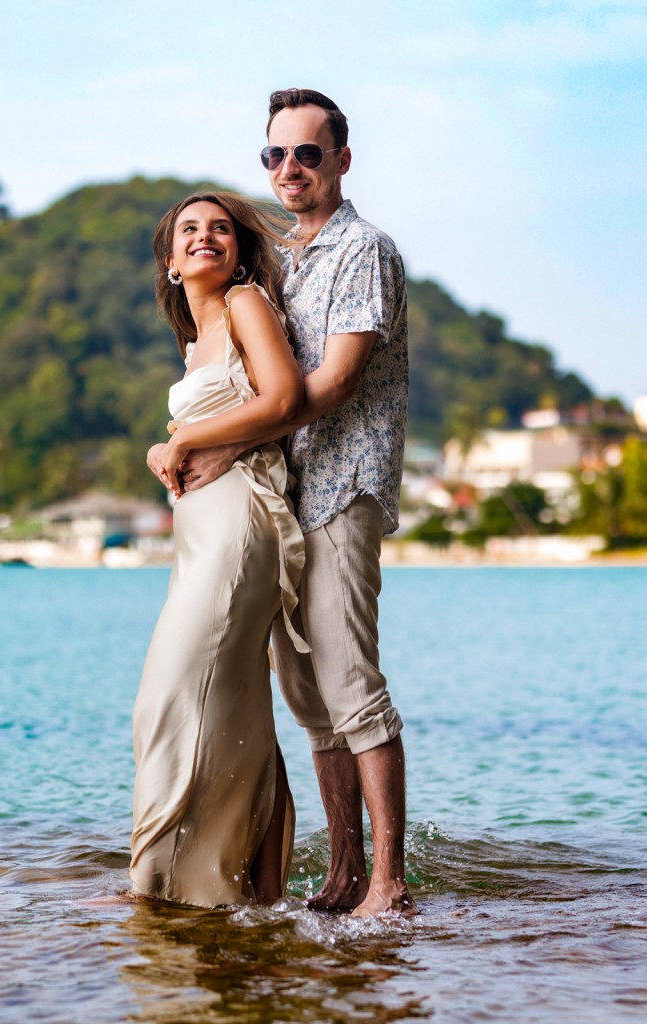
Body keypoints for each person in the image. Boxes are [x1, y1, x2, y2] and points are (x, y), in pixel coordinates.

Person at [149, 88, 415, 918]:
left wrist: (209, 444)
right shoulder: (286, 262)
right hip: (285, 502)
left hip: (343, 487)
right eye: (275, 155)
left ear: (341, 160)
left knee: (351, 683)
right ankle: (340, 875)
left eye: (307, 152)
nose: (290, 168)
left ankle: (387, 882)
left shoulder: (361, 250)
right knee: (307, 699)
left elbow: (328, 385)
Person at [129, 191, 309, 908]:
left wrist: (183, 439)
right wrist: (163, 449)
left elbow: (283, 398)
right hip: (198, 534)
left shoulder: (246, 305)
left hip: (241, 526)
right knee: (232, 702)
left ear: (237, 249)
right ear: (171, 262)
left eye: (221, 229)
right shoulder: (193, 341)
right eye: (190, 231)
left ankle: (163, 883)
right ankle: (252, 883)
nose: (207, 238)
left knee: (172, 695)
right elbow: (207, 424)